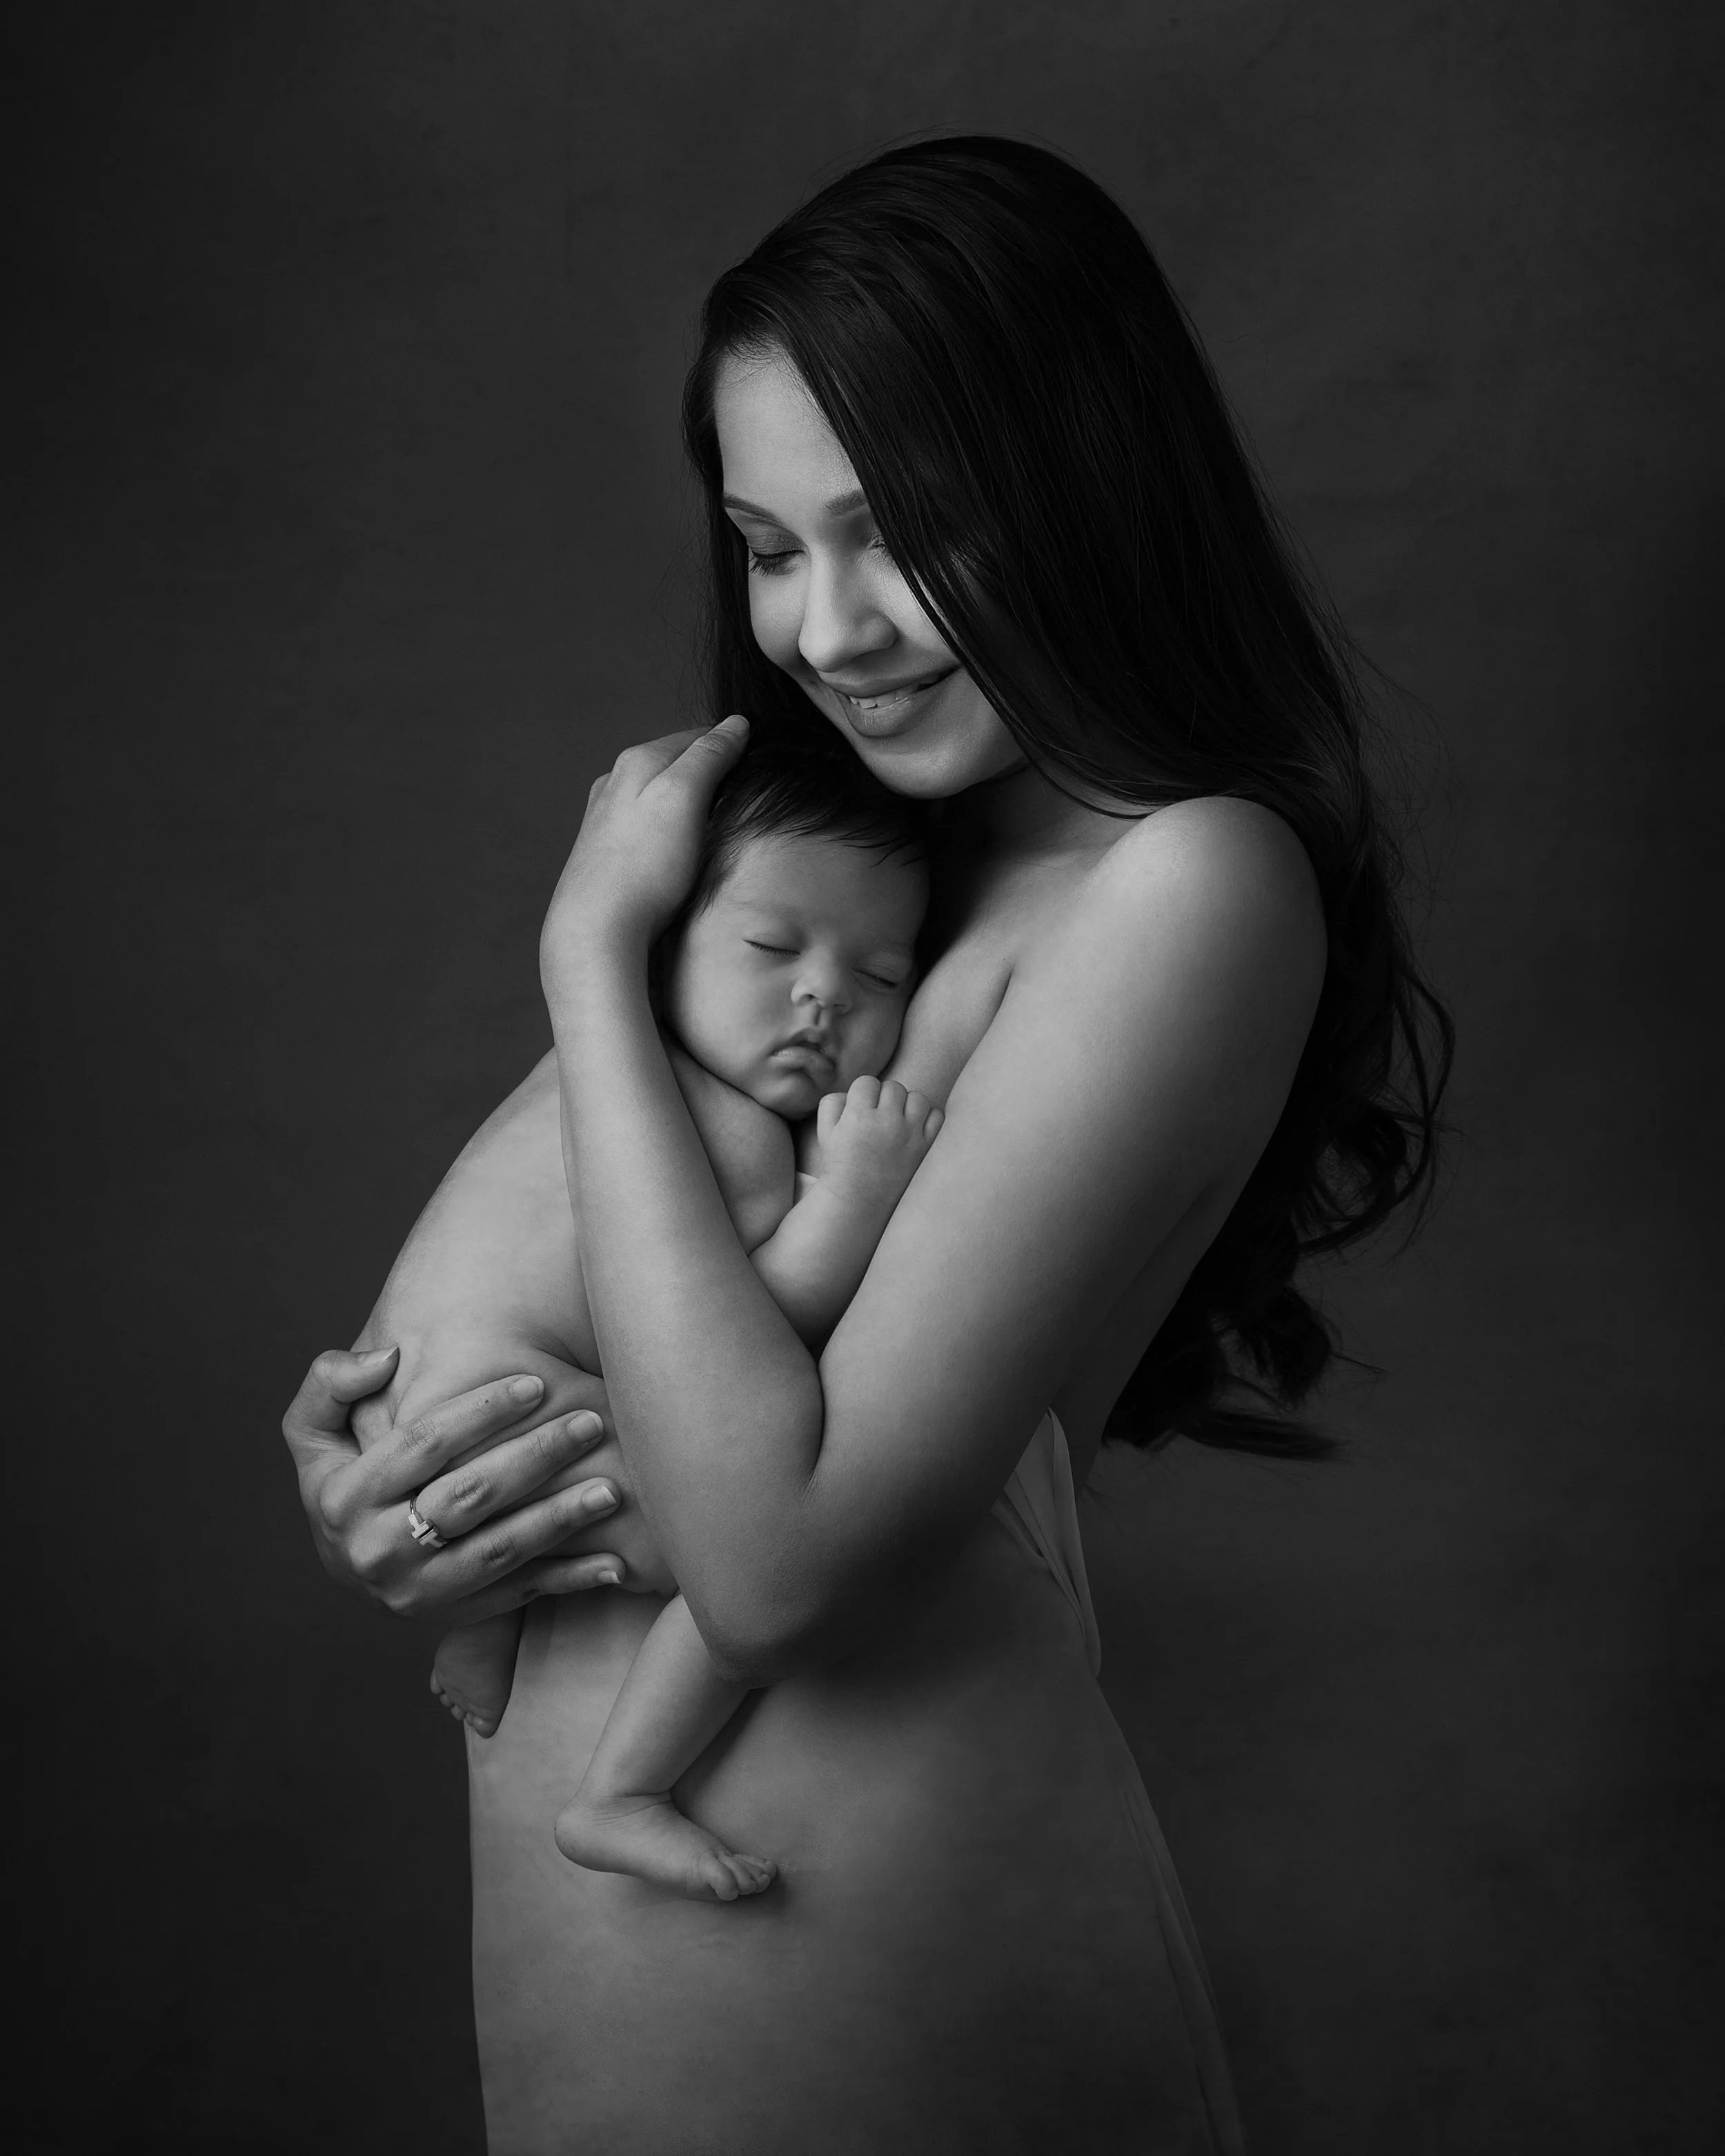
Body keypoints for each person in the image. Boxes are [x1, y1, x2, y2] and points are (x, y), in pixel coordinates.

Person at [284, 136, 1450, 2154]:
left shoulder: (1180, 882)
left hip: (867, 1931)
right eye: (765, 545)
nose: (825, 627)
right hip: (618, 1966)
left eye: (901, 531)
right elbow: (636, 1325)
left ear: (1090, 486)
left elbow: (772, 1563)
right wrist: (412, 1494)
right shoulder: (853, 875)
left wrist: (587, 961)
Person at [400, 742, 940, 1904]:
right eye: (770, 947)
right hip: (507, 1417)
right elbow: (733, 1341)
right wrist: (853, 1199)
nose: (826, 996)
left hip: (416, 1409)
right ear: (658, 948)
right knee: (742, 1554)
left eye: (883, 975)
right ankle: (619, 1793)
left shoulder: (574, 1074)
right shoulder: (727, 1131)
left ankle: (486, 1617)